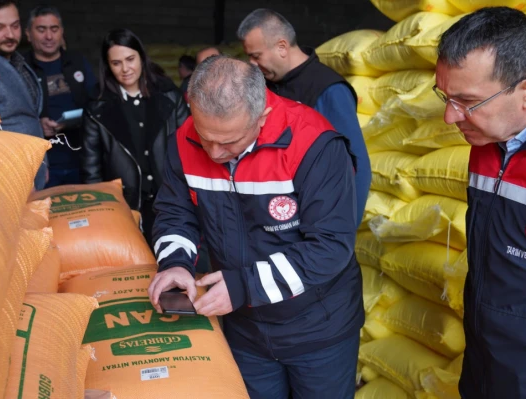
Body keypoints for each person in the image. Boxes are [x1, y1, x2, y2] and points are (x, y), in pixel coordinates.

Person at [148, 56, 362, 399]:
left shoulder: (313, 144)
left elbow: (331, 246)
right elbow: (176, 212)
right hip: (244, 331)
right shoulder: (183, 140)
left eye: (230, 141)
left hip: (318, 329)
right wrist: (175, 263)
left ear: (261, 115)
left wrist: (243, 286)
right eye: (206, 138)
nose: (215, 153)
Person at [434, 7, 526, 398]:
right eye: (444, 96)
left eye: (467, 101)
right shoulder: (491, 136)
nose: (448, 116)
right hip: (485, 355)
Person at [237, 9, 370, 225]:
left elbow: (357, 165)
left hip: (315, 222)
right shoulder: (264, 87)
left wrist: (342, 232)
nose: (252, 63)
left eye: (256, 55)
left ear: (281, 47)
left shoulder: (327, 88)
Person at [80, 28, 189, 245]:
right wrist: (101, 211)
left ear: (141, 57)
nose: (125, 69)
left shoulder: (168, 95)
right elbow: (91, 169)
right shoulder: (98, 107)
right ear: (108, 66)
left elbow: (189, 148)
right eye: (116, 63)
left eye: (130, 59)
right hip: (125, 206)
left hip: (168, 200)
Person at [0, 0, 48, 190]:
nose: (10, 35)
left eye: (15, 26)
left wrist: (43, 164)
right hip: (11, 180)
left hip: (34, 171)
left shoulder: (17, 60)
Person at [24, 5, 97, 187]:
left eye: (54, 29)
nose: (49, 36)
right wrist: (37, 124)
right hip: (43, 165)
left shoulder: (77, 61)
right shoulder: (21, 68)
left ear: (61, 32)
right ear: (28, 34)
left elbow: (97, 103)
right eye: (41, 30)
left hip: (82, 161)